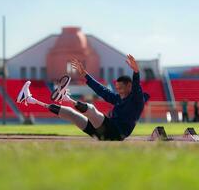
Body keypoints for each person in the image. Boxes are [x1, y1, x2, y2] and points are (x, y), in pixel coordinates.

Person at [16, 54, 150, 141]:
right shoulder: (118, 98)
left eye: (120, 87)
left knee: (91, 109)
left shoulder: (137, 99)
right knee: (70, 114)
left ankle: (66, 97)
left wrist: (136, 72)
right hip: (102, 133)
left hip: (116, 132)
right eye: (117, 87)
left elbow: (137, 86)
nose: (118, 90)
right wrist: (85, 74)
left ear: (129, 86)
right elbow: (102, 90)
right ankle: (30, 99)